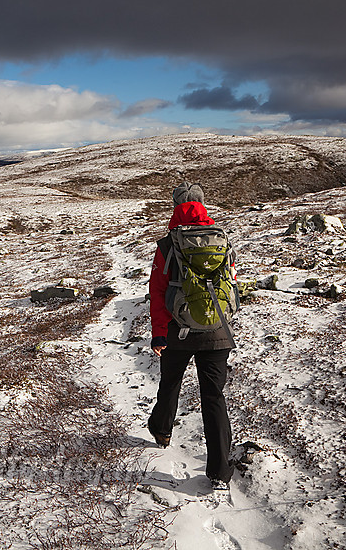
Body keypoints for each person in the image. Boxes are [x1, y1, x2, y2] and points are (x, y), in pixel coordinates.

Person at [147, 181, 236, 491]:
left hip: (177, 329)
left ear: (176, 208)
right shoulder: (222, 240)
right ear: (203, 207)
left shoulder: (167, 245)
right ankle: (220, 472)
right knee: (214, 397)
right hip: (216, 330)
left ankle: (161, 432)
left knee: (170, 382)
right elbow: (231, 281)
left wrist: (159, 334)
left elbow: (157, 292)